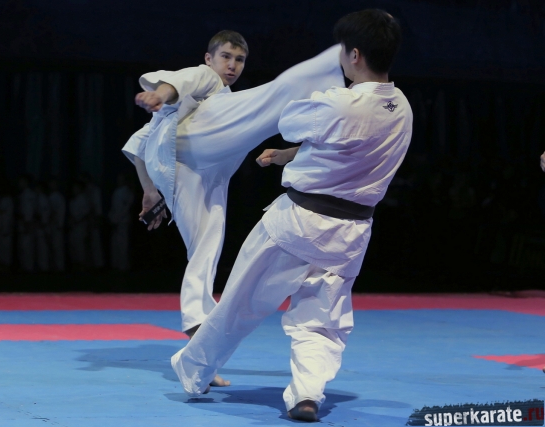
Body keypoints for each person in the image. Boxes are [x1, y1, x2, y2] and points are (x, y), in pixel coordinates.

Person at [171, 10, 412, 422]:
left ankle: (194, 371)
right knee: (320, 322)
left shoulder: (338, 101)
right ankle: (307, 395)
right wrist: (289, 155)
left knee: (239, 305)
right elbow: (345, 148)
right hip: (351, 233)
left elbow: (289, 119)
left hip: (297, 223)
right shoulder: (402, 108)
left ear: (355, 55)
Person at [123, 30, 345, 352]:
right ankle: (340, 55)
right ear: (209, 58)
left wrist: (150, 192)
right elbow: (182, 81)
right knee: (269, 98)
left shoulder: (219, 101)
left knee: (206, 243)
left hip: (198, 172)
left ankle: (197, 321)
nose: (232, 65)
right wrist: (161, 93)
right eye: (226, 57)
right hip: (192, 146)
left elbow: (137, 148)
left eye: (239, 60)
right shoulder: (206, 78)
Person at [108, 174, 134, 271]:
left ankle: (123, 266)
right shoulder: (117, 192)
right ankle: (116, 264)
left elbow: (125, 209)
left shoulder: (127, 192)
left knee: (123, 244)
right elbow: (114, 208)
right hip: (116, 221)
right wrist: (112, 219)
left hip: (122, 222)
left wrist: (116, 220)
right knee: (115, 244)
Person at [80, 172, 104, 269]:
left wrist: (96, 219)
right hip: (86, 219)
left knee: (95, 242)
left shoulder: (94, 190)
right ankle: (89, 263)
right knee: (87, 242)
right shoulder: (84, 190)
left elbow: (97, 206)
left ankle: (98, 265)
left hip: (93, 218)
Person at [68, 180, 90, 269]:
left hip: (80, 226)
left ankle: (82, 266)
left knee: (80, 247)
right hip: (73, 226)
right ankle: (76, 265)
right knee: (74, 246)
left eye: (76, 188)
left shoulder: (83, 199)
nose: (74, 190)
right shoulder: (73, 200)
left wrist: (77, 221)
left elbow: (86, 213)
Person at [17, 174, 37, 272]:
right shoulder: (24, 194)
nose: (19, 183)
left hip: (27, 224)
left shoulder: (28, 195)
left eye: (21, 181)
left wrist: (27, 224)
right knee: (24, 247)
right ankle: (26, 267)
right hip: (24, 223)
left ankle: (28, 269)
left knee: (26, 247)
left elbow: (28, 211)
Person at [0, 183, 14, 271]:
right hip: (1, 227)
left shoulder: (7, 200)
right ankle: (2, 265)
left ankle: (6, 266)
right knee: (0, 248)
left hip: (6, 227)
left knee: (6, 248)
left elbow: (1, 211)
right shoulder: (2, 199)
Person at [48, 178, 66, 272]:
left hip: (57, 225)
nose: (52, 185)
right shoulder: (50, 196)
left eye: (54, 184)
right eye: (51, 183)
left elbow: (61, 212)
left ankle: (60, 266)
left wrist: (60, 224)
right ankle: (54, 265)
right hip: (51, 225)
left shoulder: (59, 197)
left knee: (58, 246)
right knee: (52, 246)